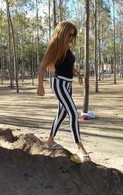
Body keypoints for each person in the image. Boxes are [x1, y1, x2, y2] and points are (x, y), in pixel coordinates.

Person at [37, 21, 91, 162]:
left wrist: (78, 74)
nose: (71, 38)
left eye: (73, 36)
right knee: (73, 113)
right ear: (62, 32)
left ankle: (50, 140)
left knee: (61, 114)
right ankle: (80, 147)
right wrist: (40, 86)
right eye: (69, 34)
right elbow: (43, 66)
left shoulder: (66, 47)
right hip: (59, 83)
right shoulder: (55, 45)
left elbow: (69, 64)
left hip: (68, 85)